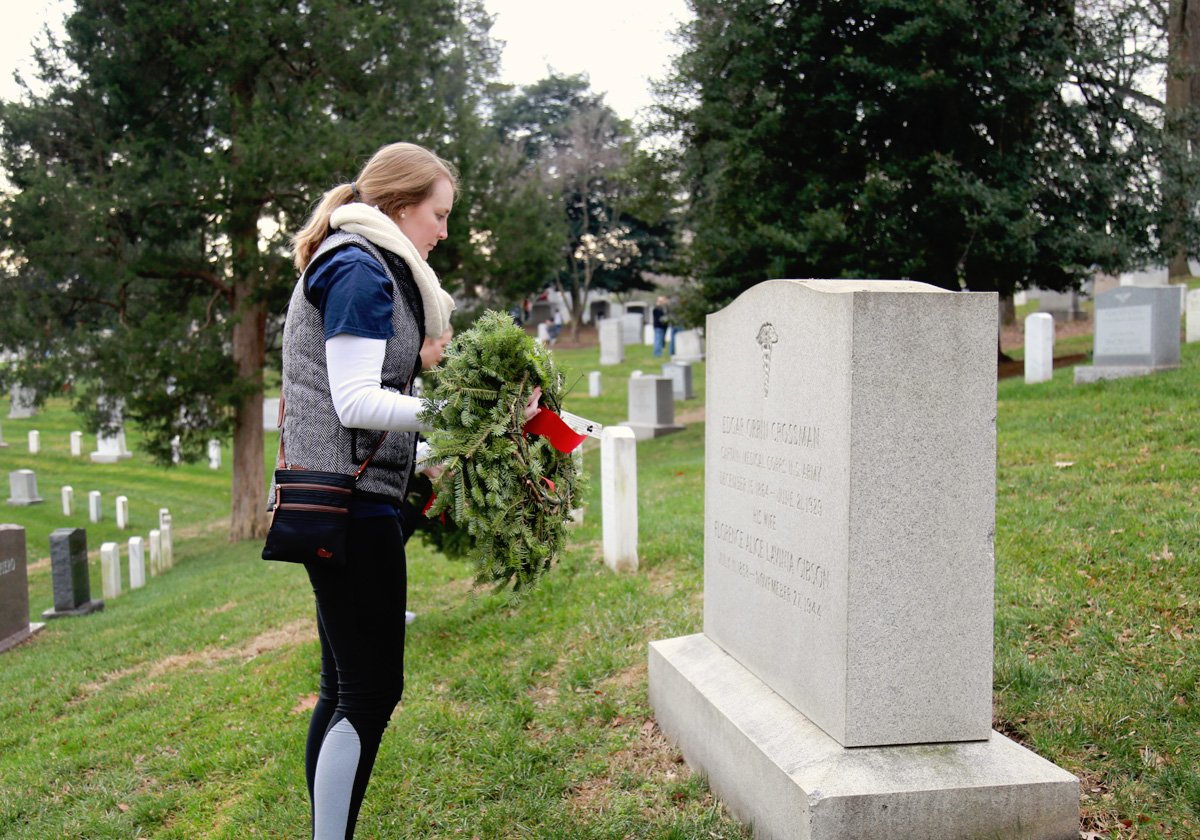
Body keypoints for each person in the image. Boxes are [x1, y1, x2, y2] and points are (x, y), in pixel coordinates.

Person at [279, 141, 538, 840]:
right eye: (439, 213)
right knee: (368, 691)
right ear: (399, 205)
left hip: (350, 499)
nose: (444, 231)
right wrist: (466, 418)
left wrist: (430, 453)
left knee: (345, 689)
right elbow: (357, 401)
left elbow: (366, 411)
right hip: (350, 510)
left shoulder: (365, 262)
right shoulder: (360, 269)